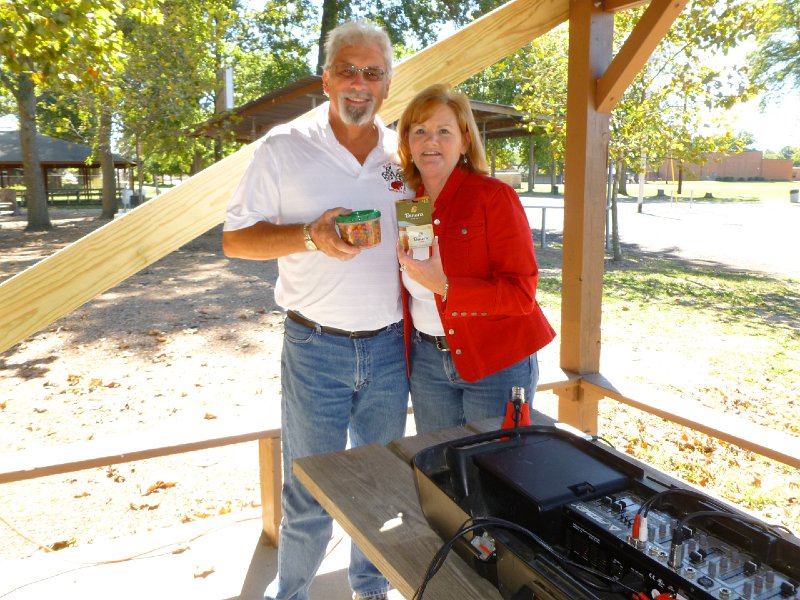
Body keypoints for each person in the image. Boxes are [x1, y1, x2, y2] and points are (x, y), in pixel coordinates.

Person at [222, 21, 410, 600]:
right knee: (307, 490)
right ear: (326, 79)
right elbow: (235, 241)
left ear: (387, 83)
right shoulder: (283, 146)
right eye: (348, 70)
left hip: (389, 345)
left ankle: (369, 589)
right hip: (315, 346)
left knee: (378, 483)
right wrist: (309, 235)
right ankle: (293, 593)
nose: (360, 83)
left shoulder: (402, 155)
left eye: (372, 73)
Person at [395, 84, 556, 434]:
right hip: (427, 366)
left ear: (465, 140)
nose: (430, 141)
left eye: (443, 131)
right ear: (407, 140)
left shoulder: (494, 197)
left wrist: (446, 287)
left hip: (496, 362)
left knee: (495, 472)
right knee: (441, 469)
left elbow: (521, 294)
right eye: (419, 131)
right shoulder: (411, 203)